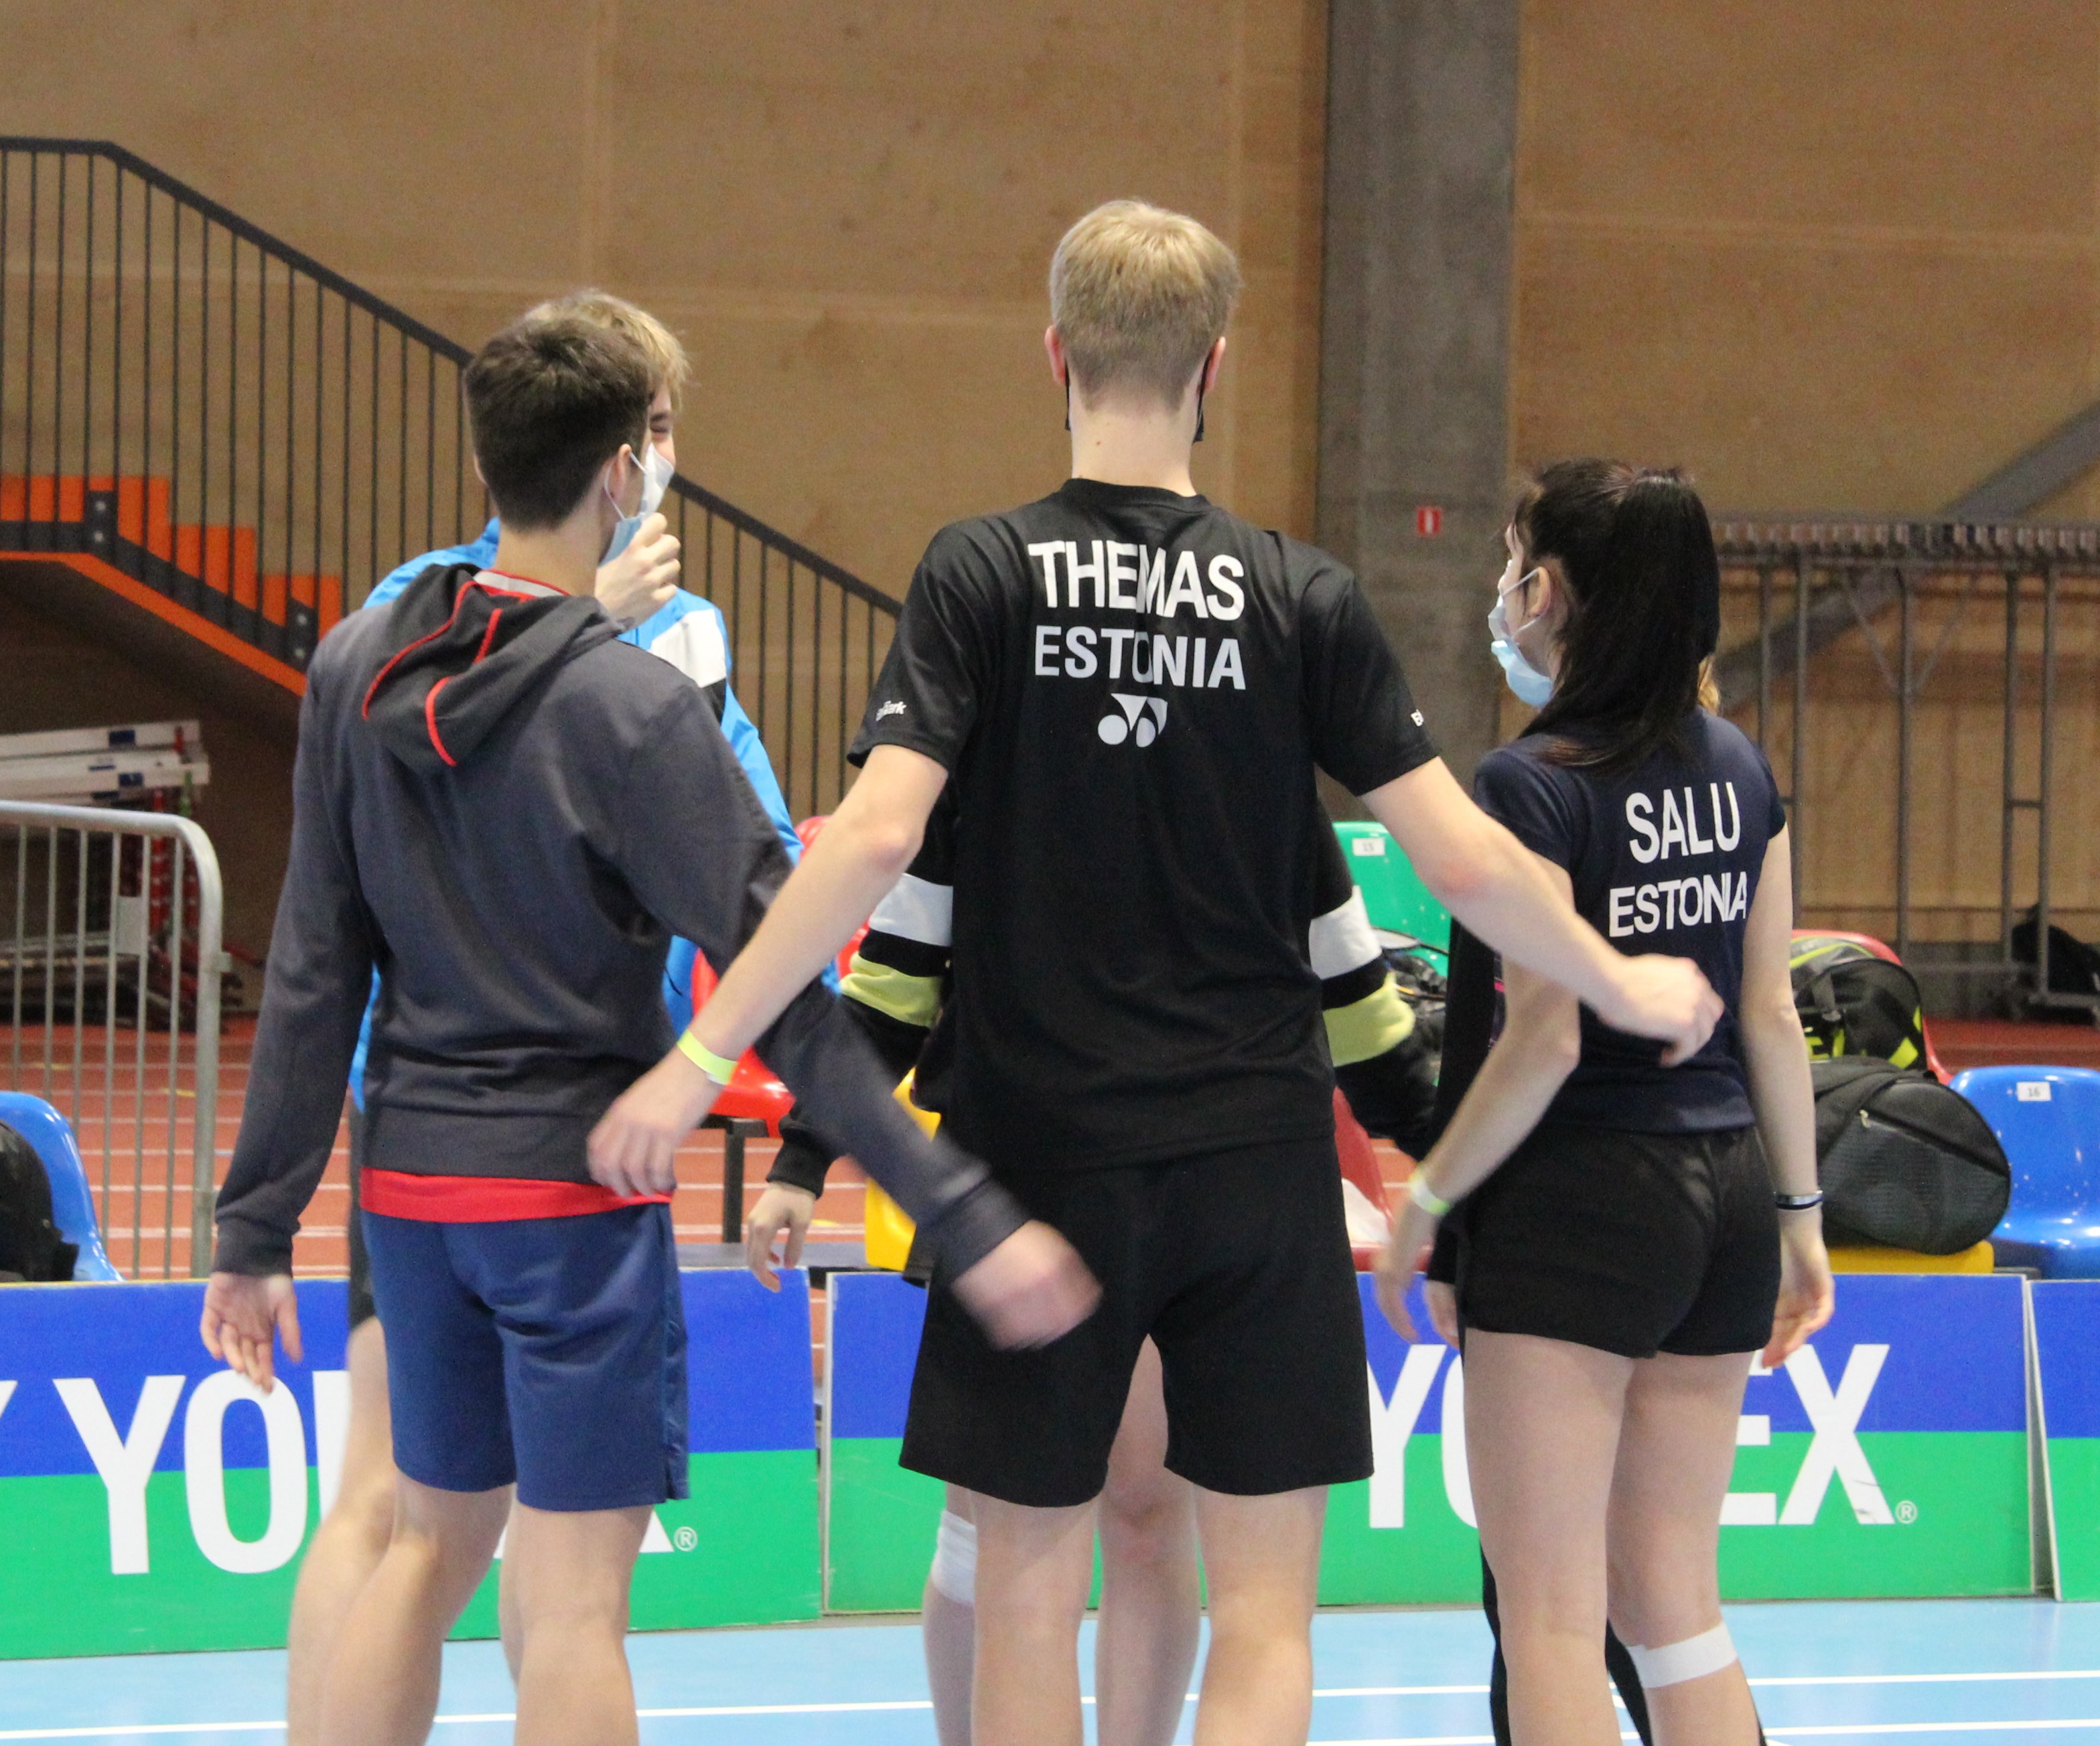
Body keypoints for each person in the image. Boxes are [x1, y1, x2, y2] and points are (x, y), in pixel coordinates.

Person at [589, 200, 1719, 1746]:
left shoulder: (978, 572)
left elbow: (881, 844)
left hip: (1037, 1155)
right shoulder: (1301, 596)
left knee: (1024, 1588)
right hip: (1256, 1166)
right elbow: (1459, 859)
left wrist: (708, 1051)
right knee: (1261, 1615)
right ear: (1215, 366)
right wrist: (1620, 980)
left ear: (1054, 355)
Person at [200, 307, 1094, 1746]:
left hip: (408, 1189)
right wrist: (965, 1211)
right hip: (569, 1198)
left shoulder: (356, 665)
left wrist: (251, 1231)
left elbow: (311, 967)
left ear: (485, 460)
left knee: (423, 1544)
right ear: (626, 470)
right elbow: (782, 992)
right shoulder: (636, 707)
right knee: (568, 1611)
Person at [283, 289, 806, 1746]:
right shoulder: (509, 610)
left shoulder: (642, 630)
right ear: (613, 455)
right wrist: (593, 629)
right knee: (468, 1528)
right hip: (497, 1126)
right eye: (654, 429)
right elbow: (757, 893)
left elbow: (755, 855)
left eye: (670, 424)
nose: (661, 456)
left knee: (474, 1527)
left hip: (496, 1125)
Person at [743, 798, 1438, 1746]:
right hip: (1029, 1168)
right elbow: (895, 972)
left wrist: (1446, 1162)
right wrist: (803, 1155)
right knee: (991, 1543)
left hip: (1209, 1176)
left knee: (1147, 1509)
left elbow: (1349, 977)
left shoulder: (1261, 764)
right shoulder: (985, 760)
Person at [1375, 462, 1835, 1746]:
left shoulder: (1530, 784)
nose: (1500, 590)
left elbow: (1543, 1040)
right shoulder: (1741, 768)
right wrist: (1801, 1222)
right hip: (1728, 1200)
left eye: (1513, 562)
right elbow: (1769, 1013)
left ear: (1556, 594)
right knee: (1675, 1604)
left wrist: (1431, 1200)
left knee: (1553, 1620)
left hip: (1578, 1206)